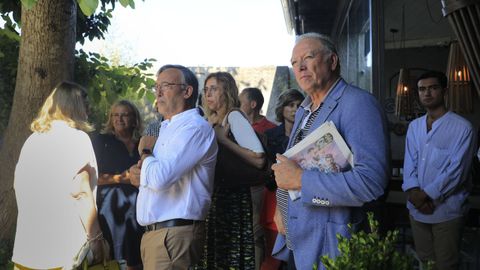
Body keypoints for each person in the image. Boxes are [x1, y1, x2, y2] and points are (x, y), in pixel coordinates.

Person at [271, 33, 389, 269]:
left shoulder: (358, 104)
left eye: (309, 57)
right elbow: (292, 165)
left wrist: (301, 180)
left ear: (332, 61)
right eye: (295, 62)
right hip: (297, 235)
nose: (300, 66)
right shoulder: (304, 110)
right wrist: (280, 208)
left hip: (329, 242)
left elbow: (372, 183)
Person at [129, 64, 218, 270]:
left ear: (187, 91)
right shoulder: (166, 127)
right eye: (157, 86)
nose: (158, 92)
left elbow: (160, 178)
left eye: (166, 85)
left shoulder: (194, 127)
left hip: (173, 236)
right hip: (158, 235)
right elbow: (148, 176)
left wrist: (145, 152)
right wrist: (138, 175)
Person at [12, 81, 107, 269]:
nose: (88, 111)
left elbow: (19, 186)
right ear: (76, 107)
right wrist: (96, 239)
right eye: (85, 106)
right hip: (64, 250)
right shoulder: (77, 138)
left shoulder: (33, 140)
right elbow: (81, 192)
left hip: (27, 248)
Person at [402, 70, 474, 269]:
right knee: (425, 263)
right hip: (417, 209)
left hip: (447, 210)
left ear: (444, 91)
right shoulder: (415, 127)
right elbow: (409, 164)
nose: (427, 93)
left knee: (445, 265)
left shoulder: (462, 128)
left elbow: (456, 172)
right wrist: (414, 194)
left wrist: (427, 196)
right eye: (422, 89)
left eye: (433, 88)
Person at [199, 72, 266, 269]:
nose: (208, 94)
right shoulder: (211, 119)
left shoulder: (234, 117)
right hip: (216, 196)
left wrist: (224, 140)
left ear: (226, 91)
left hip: (232, 197)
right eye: (206, 89)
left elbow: (259, 159)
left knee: (229, 256)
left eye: (214, 89)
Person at [91, 100, 144, 270]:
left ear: (134, 119)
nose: (119, 119)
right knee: (114, 260)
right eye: (115, 115)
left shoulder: (143, 143)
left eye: (124, 115)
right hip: (111, 212)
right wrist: (120, 178)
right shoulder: (101, 142)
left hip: (140, 213)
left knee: (137, 261)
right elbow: (92, 177)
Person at [263, 89, 304, 270]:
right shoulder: (270, 136)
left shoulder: (307, 134)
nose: (295, 109)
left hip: (299, 194)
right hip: (273, 194)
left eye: (298, 105)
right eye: (290, 105)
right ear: (282, 108)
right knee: (272, 252)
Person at [239, 87, 277, 269]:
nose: (237, 106)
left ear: (253, 104)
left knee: (259, 236)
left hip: (261, 191)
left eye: (241, 102)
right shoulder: (239, 128)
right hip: (241, 189)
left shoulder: (271, 130)